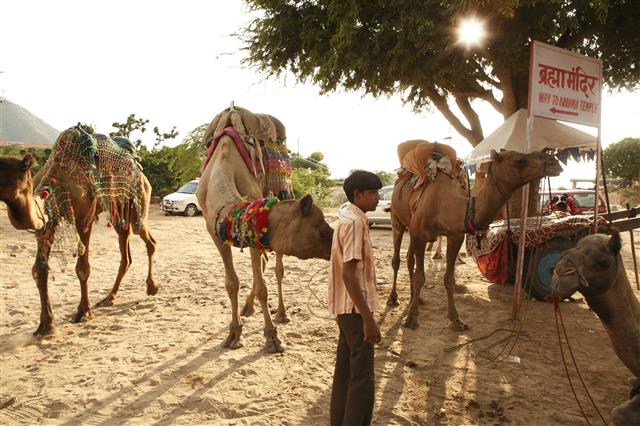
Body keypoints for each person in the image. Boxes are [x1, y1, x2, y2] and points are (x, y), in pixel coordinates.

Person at [329, 170, 382, 426]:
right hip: (355, 310)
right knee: (362, 379)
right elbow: (350, 275)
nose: (377, 198)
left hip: (345, 307)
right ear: (358, 195)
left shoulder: (347, 217)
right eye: (372, 193)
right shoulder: (355, 223)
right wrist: (368, 318)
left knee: (345, 373)